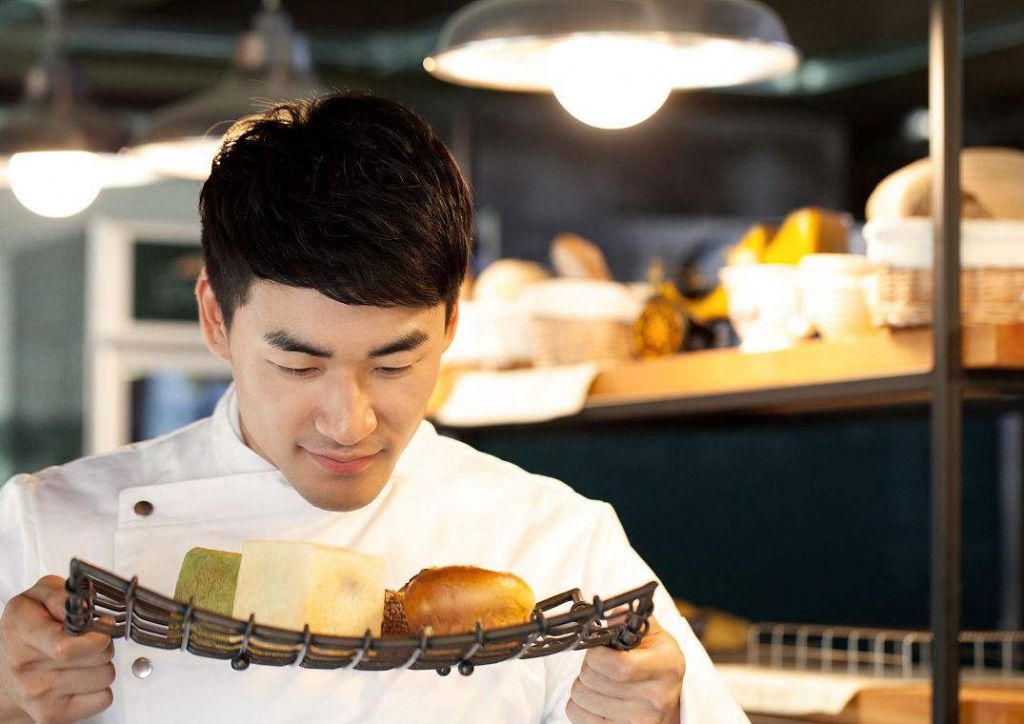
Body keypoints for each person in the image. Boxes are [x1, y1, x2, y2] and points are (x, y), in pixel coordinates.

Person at [0, 93, 747, 723]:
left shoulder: (558, 543)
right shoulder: (51, 530)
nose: (349, 422)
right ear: (215, 319)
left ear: (451, 323)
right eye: (299, 365)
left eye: (394, 364)